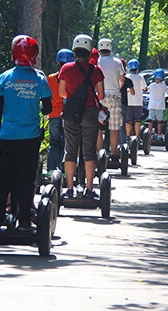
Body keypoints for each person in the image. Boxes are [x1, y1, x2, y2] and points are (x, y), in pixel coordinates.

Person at [0, 35, 52, 230]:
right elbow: (48, 108)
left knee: (4, 178)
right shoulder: (40, 78)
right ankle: (25, 221)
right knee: (26, 180)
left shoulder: (4, 77)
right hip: (30, 138)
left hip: (8, 136)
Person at [58, 34, 105, 198]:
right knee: (89, 151)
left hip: (71, 113)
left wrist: (73, 94)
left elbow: (61, 92)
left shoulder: (66, 69)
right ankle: (89, 189)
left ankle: (69, 189)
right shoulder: (96, 70)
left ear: (75, 51)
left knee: (70, 150)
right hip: (90, 112)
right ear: (89, 52)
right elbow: (102, 94)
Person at [96, 38, 124, 162]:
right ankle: (113, 153)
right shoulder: (118, 62)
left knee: (98, 126)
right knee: (114, 126)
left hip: (100, 96)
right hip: (114, 96)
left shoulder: (96, 62)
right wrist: (117, 87)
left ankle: (99, 153)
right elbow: (122, 80)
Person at [46, 48, 74, 173]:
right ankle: (63, 170)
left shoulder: (50, 78)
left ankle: (51, 169)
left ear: (58, 63)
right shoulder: (73, 78)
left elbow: (47, 96)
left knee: (54, 142)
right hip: (68, 114)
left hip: (53, 114)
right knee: (65, 143)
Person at [125, 58, 147, 140]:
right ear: (138, 69)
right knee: (137, 120)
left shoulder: (126, 77)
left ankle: (127, 136)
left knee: (128, 120)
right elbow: (145, 88)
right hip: (138, 102)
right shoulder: (140, 77)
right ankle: (137, 136)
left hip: (128, 102)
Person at [147, 68, 168, 140]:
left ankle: (148, 135)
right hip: (160, 106)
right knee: (159, 121)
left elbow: (147, 90)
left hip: (152, 105)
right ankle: (159, 135)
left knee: (151, 120)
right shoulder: (164, 86)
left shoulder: (151, 85)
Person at [119, 59, 135, 144]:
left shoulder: (112, 78)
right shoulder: (128, 80)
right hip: (123, 103)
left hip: (112, 102)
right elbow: (133, 93)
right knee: (122, 124)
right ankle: (123, 143)